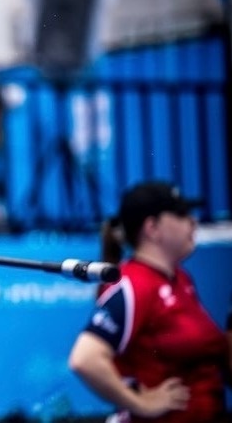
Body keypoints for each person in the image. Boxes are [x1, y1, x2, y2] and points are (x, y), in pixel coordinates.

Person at [68, 181, 230, 423]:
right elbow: (85, 358)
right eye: (182, 214)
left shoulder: (181, 280)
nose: (193, 222)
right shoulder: (134, 284)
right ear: (152, 227)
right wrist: (141, 404)